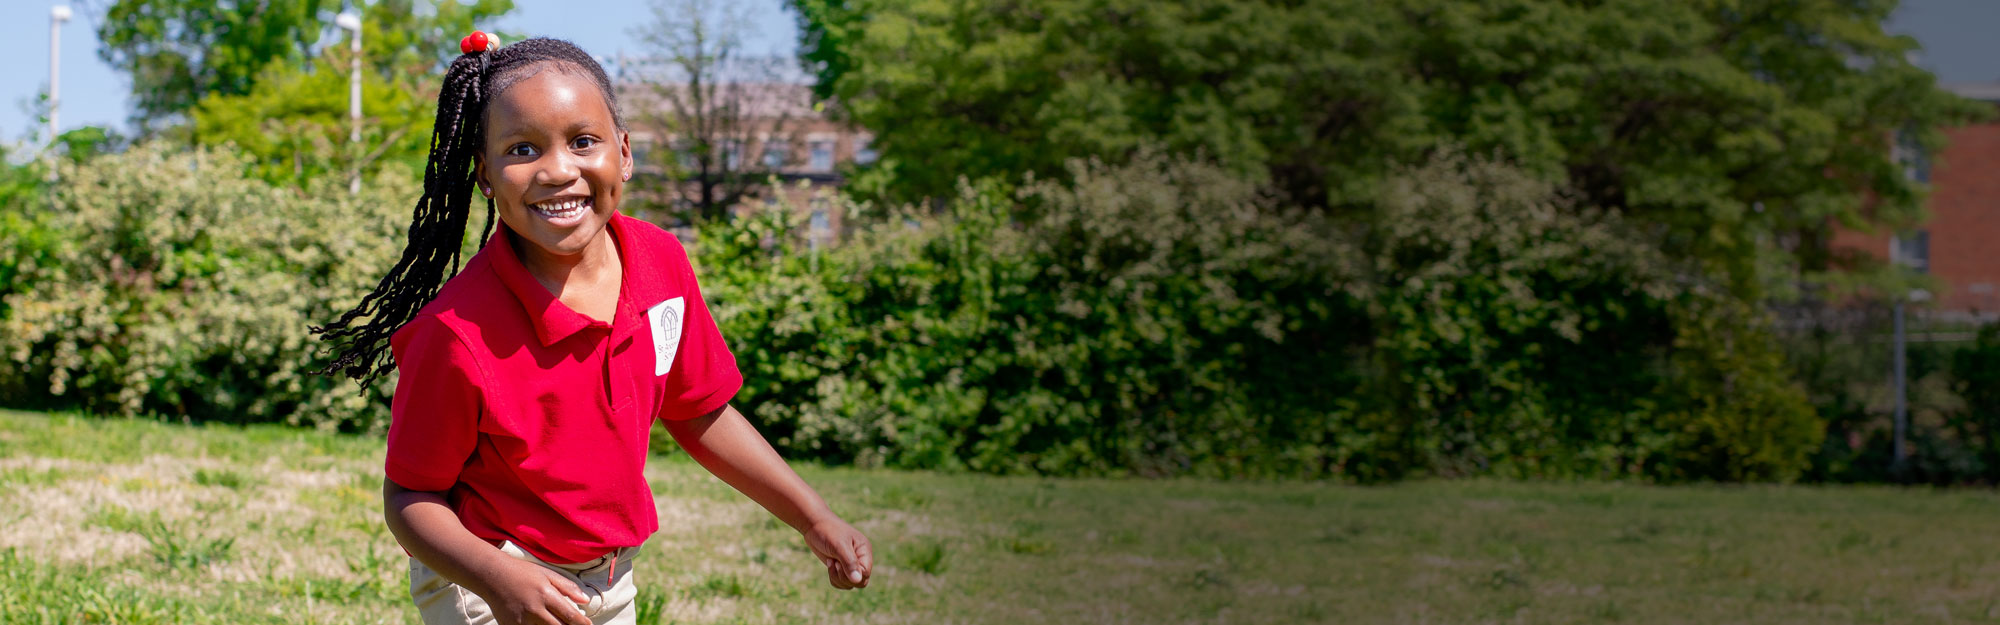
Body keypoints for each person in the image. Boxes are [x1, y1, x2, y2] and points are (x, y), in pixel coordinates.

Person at [312, 33, 872, 625]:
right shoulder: (456, 333)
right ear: (484, 175)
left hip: (609, 578)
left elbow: (699, 411)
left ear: (624, 152)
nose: (558, 171)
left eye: (583, 141)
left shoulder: (660, 263)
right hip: (490, 573)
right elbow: (408, 499)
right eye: (522, 149)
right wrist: (500, 579)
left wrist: (814, 517)